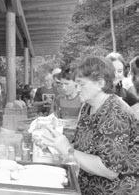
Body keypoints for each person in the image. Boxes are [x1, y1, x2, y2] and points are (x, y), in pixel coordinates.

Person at [38, 56, 139, 195]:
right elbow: (86, 149)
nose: (77, 89)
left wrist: (67, 149)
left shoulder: (116, 113)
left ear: (100, 83)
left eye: (82, 84)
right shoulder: (87, 107)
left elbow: (110, 170)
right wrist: (55, 144)